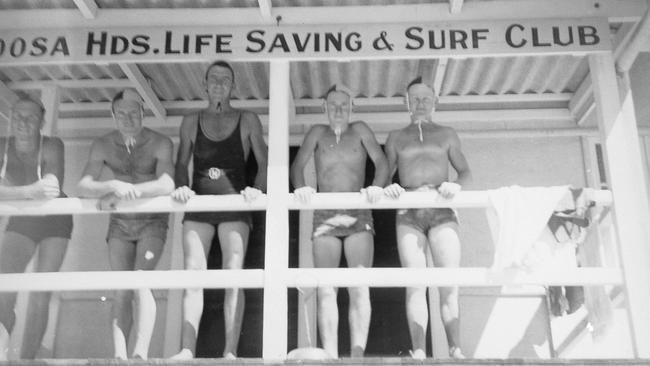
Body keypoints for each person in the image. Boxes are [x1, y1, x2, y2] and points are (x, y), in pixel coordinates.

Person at [171, 60, 267, 359]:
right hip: (199, 203)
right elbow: (180, 163)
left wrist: (258, 189)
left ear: (233, 85)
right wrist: (181, 186)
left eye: (225, 79)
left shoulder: (247, 118)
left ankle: (230, 351)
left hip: (234, 203)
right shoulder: (190, 120)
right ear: (205, 83)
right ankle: (187, 349)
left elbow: (264, 162)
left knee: (233, 274)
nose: (219, 84)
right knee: (193, 275)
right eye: (214, 78)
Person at [290, 84, 388, 358]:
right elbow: (297, 165)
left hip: (357, 210)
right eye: (333, 104)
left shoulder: (360, 130)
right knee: (327, 287)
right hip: (326, 212)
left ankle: (356, 356)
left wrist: (377, 187)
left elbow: (381, 161)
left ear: (352, 107)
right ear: (324, 108)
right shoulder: (317, 133)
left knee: (359, 285)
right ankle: (331, 356)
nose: (338, 109)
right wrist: (301, 188)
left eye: (344, 104)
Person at [77, 88, 175, 360]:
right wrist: (113, 185)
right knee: (122, 286)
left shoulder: (160, 142)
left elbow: (167, 182)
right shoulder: (103, 144)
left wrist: (132, 191)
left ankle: (140, 355)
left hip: (151, 220)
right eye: (122, 113)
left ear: (143, 113)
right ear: (113, 115)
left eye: (134, 112)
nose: (128, 118)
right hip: (120, 223)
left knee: (141, 279)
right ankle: (119, 356)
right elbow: (83, 185)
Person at [383, 78, 472, 359]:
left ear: (435, 101)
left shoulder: (447, 133)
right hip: (409, 209)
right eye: (415, 98)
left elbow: (466, 173)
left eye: (425, 98)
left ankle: (456, 348)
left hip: (441, 206)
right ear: (406, 102)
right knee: (416, 283)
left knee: (448, 281)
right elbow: (383, 177)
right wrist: (389, 187)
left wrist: (457, 185)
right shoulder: (396, 137)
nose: (420, 103)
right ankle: (419, 350)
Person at [0, 97, 73, 360]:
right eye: (18, 115)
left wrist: (10, 193)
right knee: (4, 284)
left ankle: (28, 359)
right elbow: (39, 189)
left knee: (41, 289)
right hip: (22, 216)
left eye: (31, 117)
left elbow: (52, 188)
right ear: (10, 117)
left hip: (55, 216)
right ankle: (2, 351)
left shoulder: (52, 145)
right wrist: (30, 191)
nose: (23, 121)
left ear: (42, 121)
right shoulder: (3, 146)